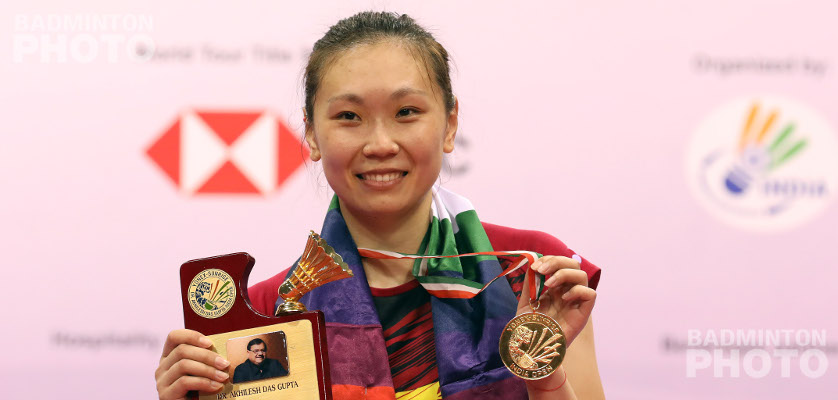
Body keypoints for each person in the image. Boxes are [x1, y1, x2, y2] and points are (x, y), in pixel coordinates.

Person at [155, 11, 604, 400]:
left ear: (450, 124)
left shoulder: (531, 274)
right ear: (311, 134)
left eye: (406, 112)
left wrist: (544, 374)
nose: (381, 144)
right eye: (348, 117)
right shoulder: (267, 314)